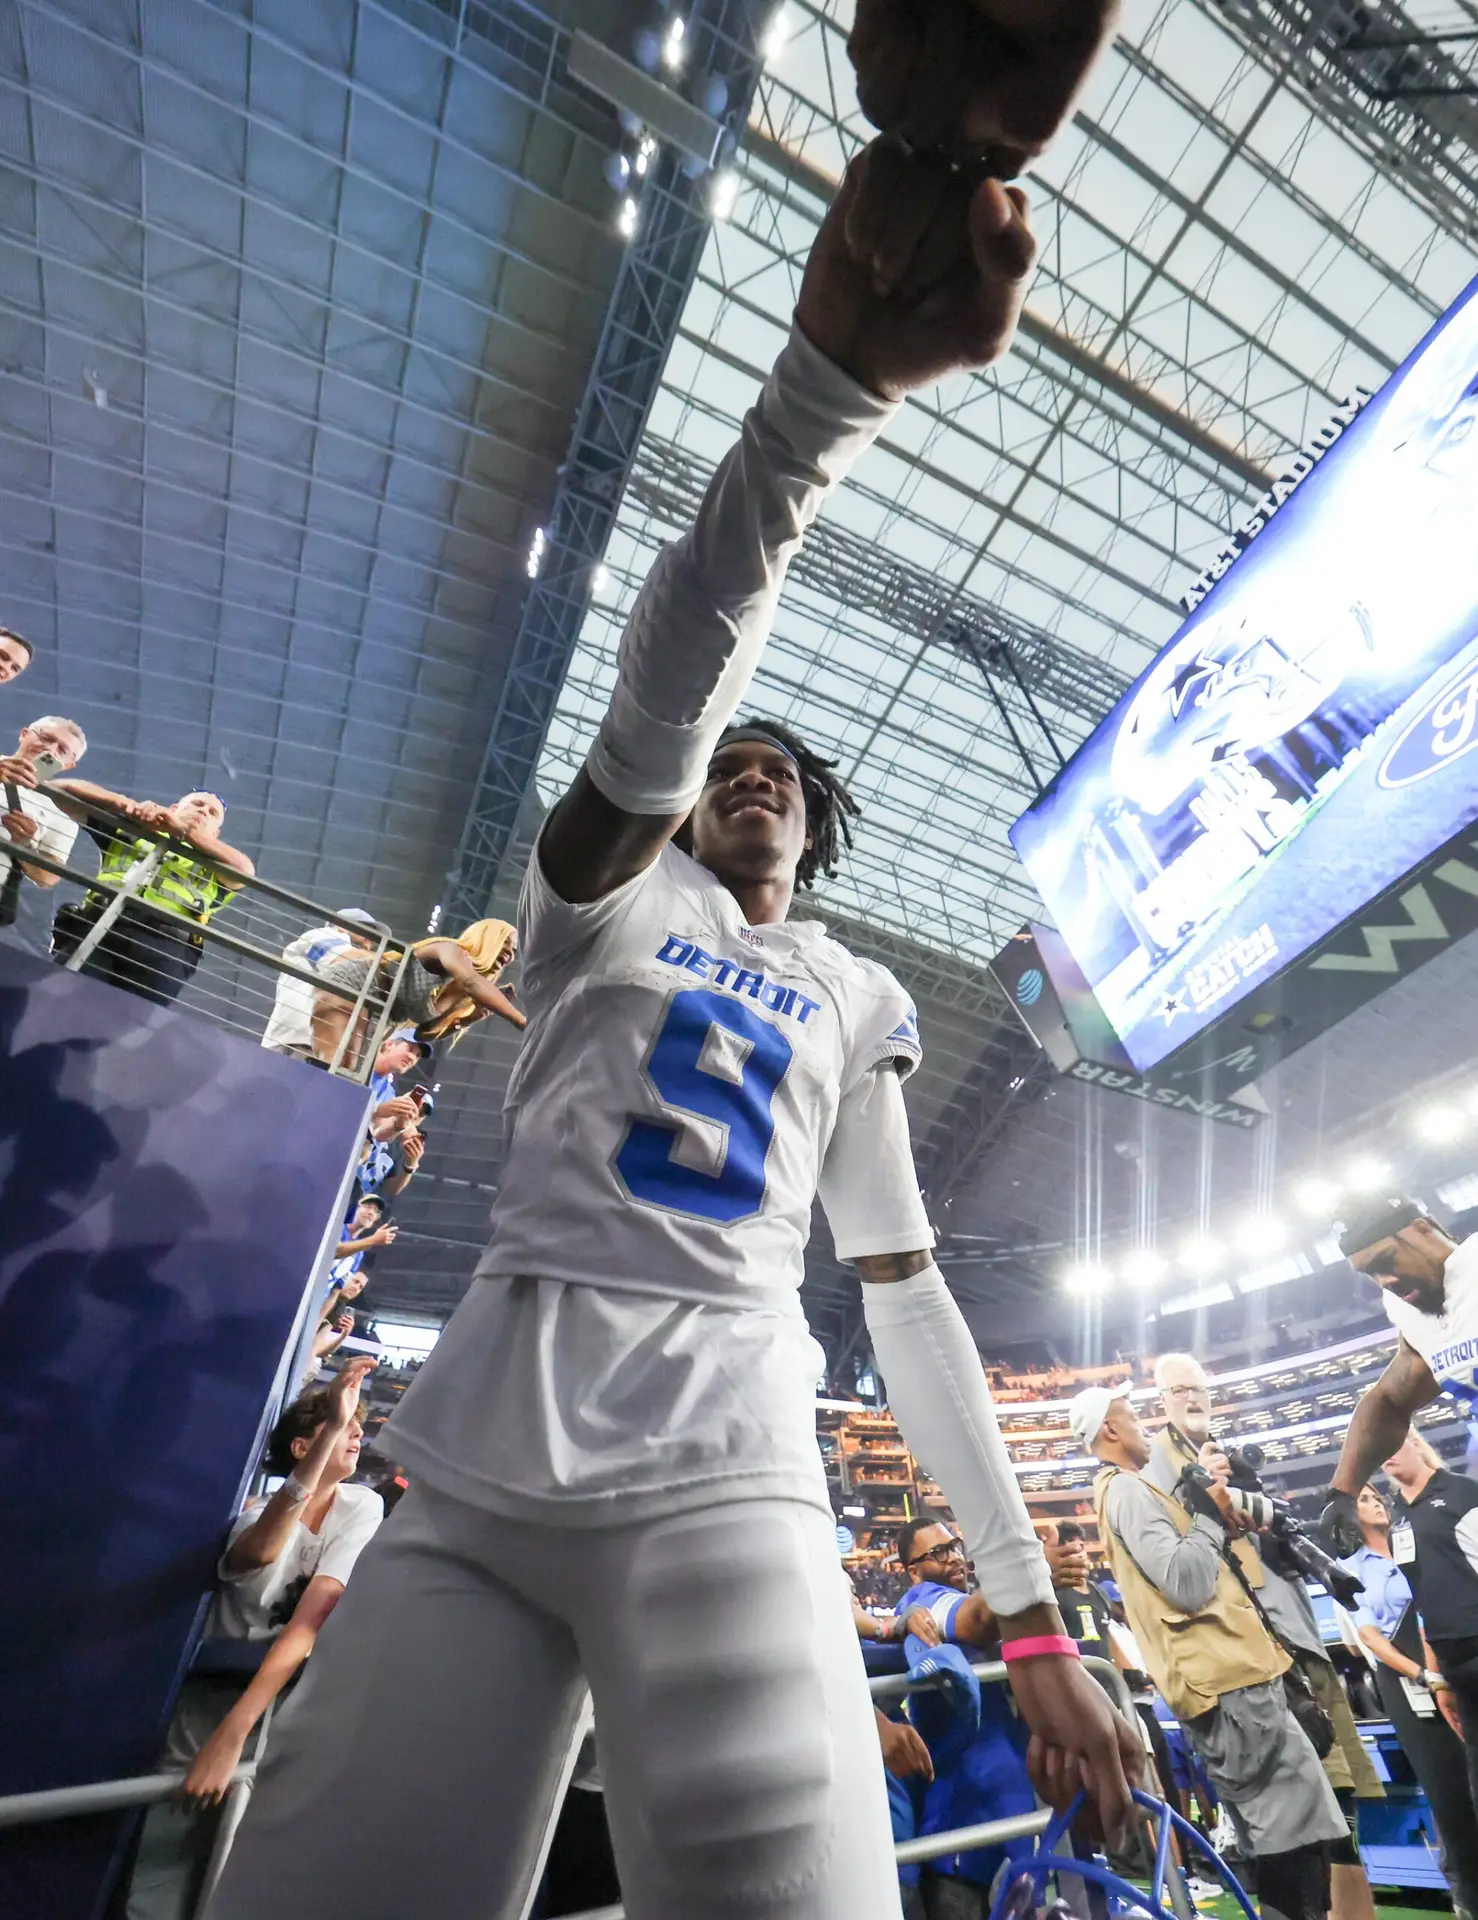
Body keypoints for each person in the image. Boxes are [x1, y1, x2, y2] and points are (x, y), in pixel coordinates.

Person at [208, 132, 1139, 1920]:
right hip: (477, 1450)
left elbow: (901, 1288)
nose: (754, 778)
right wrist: (819, 399)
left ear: (816, 829)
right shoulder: (600, 899)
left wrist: (1028, 1617)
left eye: (784, 775)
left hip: (727, 1461)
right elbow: (660, 688)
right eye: (732, 768)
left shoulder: (856, 986)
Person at [1076, 1383, 1346, 1920]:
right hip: (1227, 1685)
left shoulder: (1135, 1489)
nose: (1144, 1427)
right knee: (1287, 1843)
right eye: (1132, 1417)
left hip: (1235, 1677)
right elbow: (1186, 1581)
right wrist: (1205, 1517)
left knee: (1297, 1835)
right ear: (1109, 1429)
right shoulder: (1125, 1492)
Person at [126, 1360, 380, 1919]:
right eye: (340, 1428)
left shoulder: (361, 1506)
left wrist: (237, 1729)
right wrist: (221, 1733)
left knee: (248, 1863)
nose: (356, 1433)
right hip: (206, 1699)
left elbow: (309, 1623)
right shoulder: (251, 1516)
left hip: (279, 1700)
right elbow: (261, 1554)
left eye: (356, 1427)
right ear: (300, 1448)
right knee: (167, 1855)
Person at [1151, 1352, 1381, 1920]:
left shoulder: (1235, 1462)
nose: (1192, 1397)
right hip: (1254, 1666)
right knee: (1294, 1831)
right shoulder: (1156, 1472)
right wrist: (1204, 1494)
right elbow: (1178, 1566)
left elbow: (1285, 1545)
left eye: (1199, 1387)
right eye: (1180, 1390)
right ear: (1162, 1401)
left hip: (1301, 1647)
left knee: (1343, 1809)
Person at [1340, 1480, 1478, 1917]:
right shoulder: (1349, 1567)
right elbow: (1367, 1635)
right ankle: (1466, 1895)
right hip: (1409, 1681)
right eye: (1363, 1499)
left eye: (1376, 1496)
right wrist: (1423, 1674)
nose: (1375, 1502)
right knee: (1446, 1791)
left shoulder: (1411, 1543)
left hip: (1452, 1662)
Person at [1322, 1195, 1478, 1548]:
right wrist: (1343, 1491)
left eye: (1386, 1261)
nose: (1384, 1281)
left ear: (1423, 1229)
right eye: (1370, 1273)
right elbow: (1391, 1400)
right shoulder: (1412, 1312)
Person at [50, 784, 254, 1006]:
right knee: (63, 1003)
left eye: (212, 812)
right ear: (174, 808)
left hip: (165, 949)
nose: (204, 810)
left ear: (215, 834)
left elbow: (245, 871)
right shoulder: (132, 831)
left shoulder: (219, 868)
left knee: (129, 1024)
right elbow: (62, 792)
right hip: (100, 924)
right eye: (197, 804)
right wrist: (127, 806)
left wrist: (184, 831)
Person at [1379, 1428, 1478, 1835]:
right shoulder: (1397, 1521)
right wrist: (1437, 1679)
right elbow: (1422, 1603)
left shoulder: (1463, 1494)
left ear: (1417, 1443)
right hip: (1457, 1670)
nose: (1386, 1455)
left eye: (1392, 1443)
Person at [309, 917, 524, 1068]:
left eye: (514, 950)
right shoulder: (449, 949)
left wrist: (471, 1017)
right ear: (489, 938)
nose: (511, 954)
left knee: (347, 1069)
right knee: (334, 1063)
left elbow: (424, 1032)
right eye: (506, 943)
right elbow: (471, 981)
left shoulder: (461, 988)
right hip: (353, 986)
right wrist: (521, 1021)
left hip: (377, 1013)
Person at [0, 715, 87, 952]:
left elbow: (47, 877)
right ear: (24, 733)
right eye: (46, 737)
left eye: (62, 750)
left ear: (68, 765)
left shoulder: (61, 817)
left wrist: (24, 844)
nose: (50, 748)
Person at [261, 909, 384, 1056]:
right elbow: (347, 958)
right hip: (292, 1044)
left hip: (321, 1049)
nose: (369, 942)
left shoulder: (362, 972)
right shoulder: (322, 935)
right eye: (367, 933)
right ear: (343, 925)